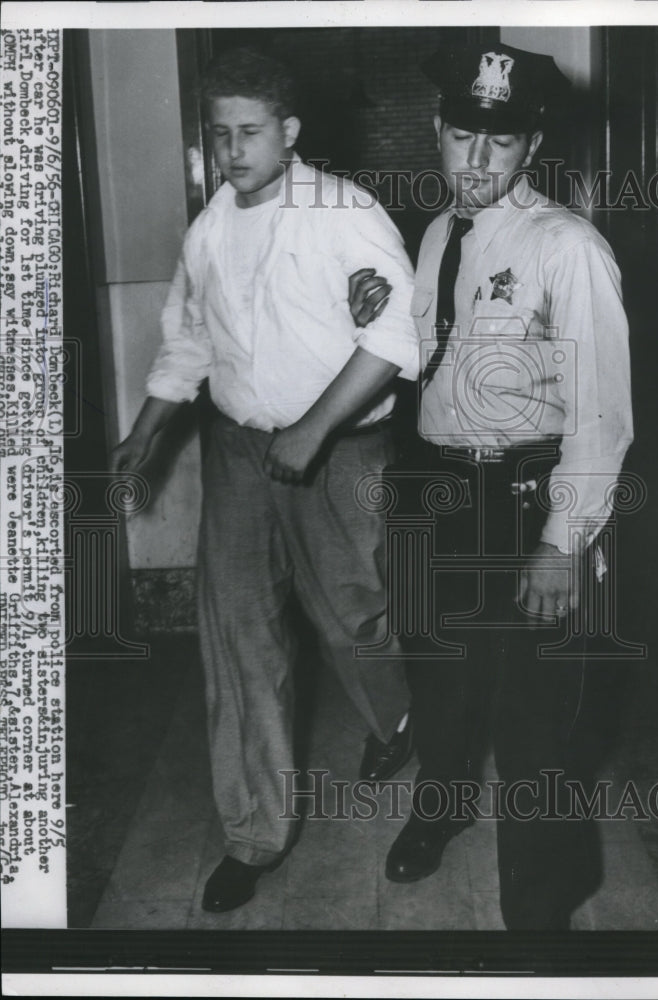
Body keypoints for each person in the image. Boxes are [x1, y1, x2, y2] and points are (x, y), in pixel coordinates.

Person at [110, 47, 417, 913]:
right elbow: (189, 339)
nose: (232, 149)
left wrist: (313, 430)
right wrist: (146, 430)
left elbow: (398, 332)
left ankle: (396, 720)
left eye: (249, 131)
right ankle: (255, 833)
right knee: (240, 638)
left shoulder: (342, 211)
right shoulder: (210, 227)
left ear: (289, 131)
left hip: (340, 447)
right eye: (219, 133)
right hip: (239, 450)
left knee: (351, 616)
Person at [354, 42, 634, 929]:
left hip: (527, 500)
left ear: (531, 145)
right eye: (463, 136)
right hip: (438, 491)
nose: (477, 160)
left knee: (534, 720)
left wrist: (562, 544)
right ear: (438, 130)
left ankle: (539, 917)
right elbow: (426, 361)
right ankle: (440, 807)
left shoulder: (567, 248)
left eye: (501, 141)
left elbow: (602, 415)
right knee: (439, 677)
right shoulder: (439, 233)